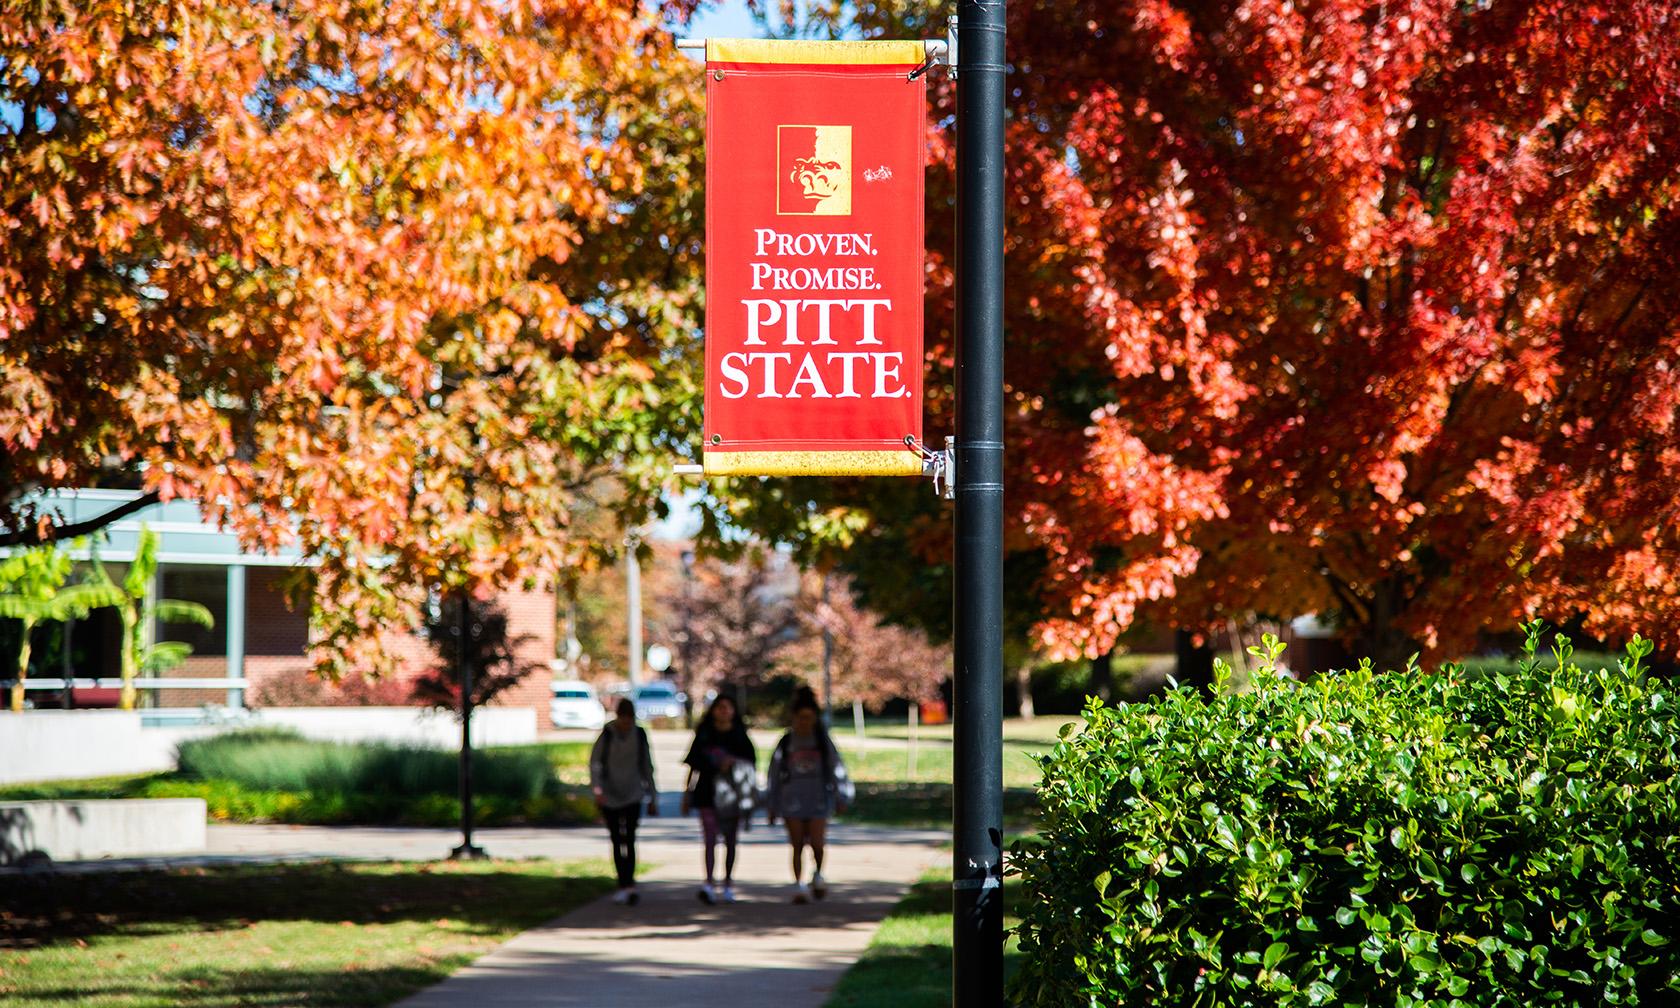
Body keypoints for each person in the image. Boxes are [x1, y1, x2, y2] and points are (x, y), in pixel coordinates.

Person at [765, 687, 853, 904]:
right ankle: (798, 885)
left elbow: (836, 768)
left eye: (808, 718)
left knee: (817, 842)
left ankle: (818, 874)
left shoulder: (822, 741)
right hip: (791, 799)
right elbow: (774, 774)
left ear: (814, 719)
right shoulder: (786, 742)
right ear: (793, 718)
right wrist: (771, 804)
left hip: (818, 798)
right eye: (800, 718)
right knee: (796, 844)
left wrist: (842, 795)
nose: (804, 722)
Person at [682, 693, 757, 904]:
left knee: (731, 841)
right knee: (709, 839)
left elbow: (752, 767)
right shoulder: (704, 734)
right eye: (720, 707)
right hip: (706, 793)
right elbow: (693, 765)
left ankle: (728, 884)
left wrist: (734, 763)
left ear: (733, 711)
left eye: (727, 707)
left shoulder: (740, 736)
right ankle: (708, 883)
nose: (724, 711)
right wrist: (687, 793)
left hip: (733, 796)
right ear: (713, 710)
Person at [590, 697, 658, 905]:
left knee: (629, 838)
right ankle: (621, 882)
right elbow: (595, 763)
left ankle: (630, 884)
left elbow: (647, 766)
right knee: (616, 840)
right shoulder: (608, 734)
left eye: (629, 720)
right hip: (610, 795)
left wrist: (652, 795)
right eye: (623, 719)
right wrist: (598, 789)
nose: (626, 724)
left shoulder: (639, 734)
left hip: (633, 793)